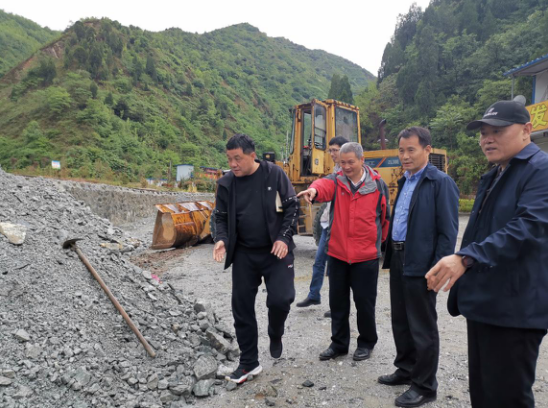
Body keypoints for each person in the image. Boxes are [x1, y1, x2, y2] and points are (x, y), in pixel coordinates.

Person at [426, 97, 548, 408]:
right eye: (483, 133)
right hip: (486, 302)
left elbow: (527, 227)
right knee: (483, 392)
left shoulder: (540, 170)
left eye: (498, 131)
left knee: (508, 397)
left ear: (526, 130)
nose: (487, 139)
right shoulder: (495, 173)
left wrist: (466, 258)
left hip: (516, 308)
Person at [378, 127, 459, 408]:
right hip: (399, 257)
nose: (405, 156)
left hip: (423, 263)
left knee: (422, 325)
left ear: (427, 149)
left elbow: (448, 231)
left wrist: (438, 268)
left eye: (411, 150)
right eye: (401, 150)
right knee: (400, 319)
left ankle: (425, 386)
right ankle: (406, 368)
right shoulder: (405, 180)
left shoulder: (440, 182)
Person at [213, 134, 299, 384]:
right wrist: (221, 239)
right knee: (241, 307)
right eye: (229, 159)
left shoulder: (274, 175)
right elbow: (220, 216)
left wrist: (283, 238)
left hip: (275, 251)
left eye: (238, 158)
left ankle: (275, 331)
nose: (233, 164)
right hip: (244, 253)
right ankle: (249, 362)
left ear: (252, 155)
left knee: (281, 299)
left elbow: (292, 207)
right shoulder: (226, 183)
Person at [298, 142, 389, 362]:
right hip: (338, 255)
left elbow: (385, 218)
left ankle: (366, 343)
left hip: (366, 257)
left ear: (362, 160)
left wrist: (376, 245)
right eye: (342, 162)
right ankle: (339, 344)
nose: (346, 167)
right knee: (338, 303)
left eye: (350, 162)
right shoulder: (337, 181)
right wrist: (313, 190)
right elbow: (322, 186)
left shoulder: (378, 184)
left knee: (365, 303)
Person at [296, 136, 348, 319]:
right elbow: (325, 186)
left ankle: (338, 305)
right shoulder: (335, 170)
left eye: (335, 150)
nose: (332, 154)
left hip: (340, 227)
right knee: (319, 261)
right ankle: (314, 295)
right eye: (330, 150)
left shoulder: (349, 172)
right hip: (327, 225)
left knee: (336, 267)